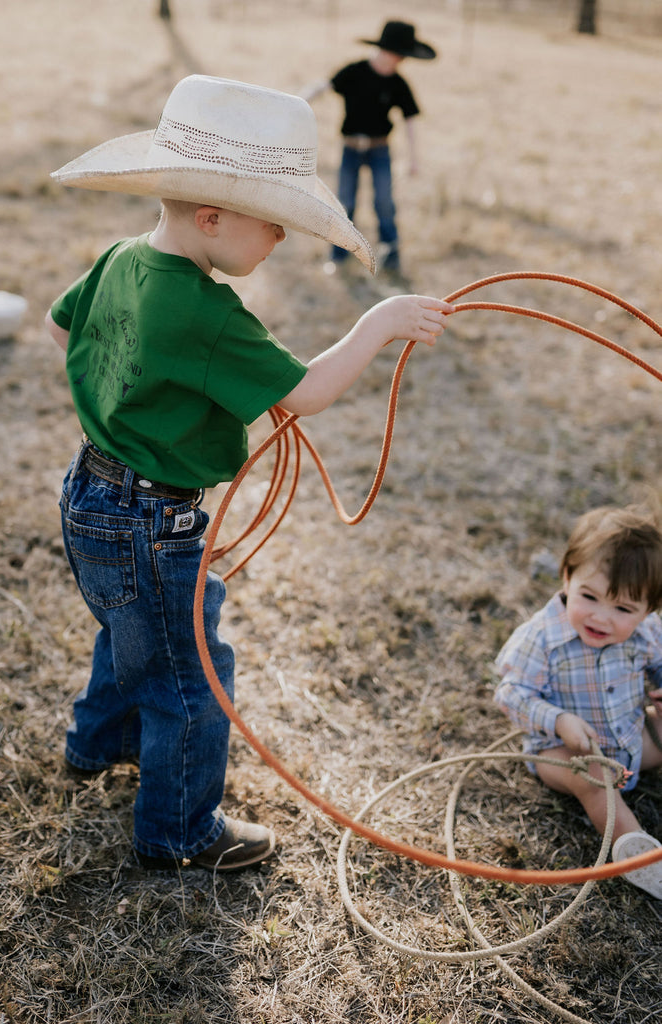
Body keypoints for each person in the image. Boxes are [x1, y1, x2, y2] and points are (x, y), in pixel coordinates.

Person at [44, 74, 453, 873]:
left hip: (90, 491)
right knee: (191, 676)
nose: (282, 242)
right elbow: (309, 393)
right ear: (212, 217)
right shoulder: (204, 310)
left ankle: (97, 745)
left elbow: (68, 333)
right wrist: (379, 322)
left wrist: (132, 409)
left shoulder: (123, 257)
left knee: (131, 633)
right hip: (150, 518)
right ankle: (179, 831)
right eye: (275, 226)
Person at [494, 504, 662, 899]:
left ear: (649, 610)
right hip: (564, 753)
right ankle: (638, 857)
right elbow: (511, 693)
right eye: (589, 596)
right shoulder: (542, 637)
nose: (602, 617)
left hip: (631, 741)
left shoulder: (648, 632)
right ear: (567, 578)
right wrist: (558, 720)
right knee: (593, 777)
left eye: (623, 608)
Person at [304, 20, 436, 275]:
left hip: (379, 150)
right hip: (351, 149)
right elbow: (327, 85)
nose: (398, 61)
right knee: (344, 202)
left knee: (384, 202)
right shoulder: (355, 71)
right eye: (396, 55)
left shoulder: (398, 83)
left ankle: (391, 254)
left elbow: (410, 119)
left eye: (402, 58)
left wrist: (414, 158)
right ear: (383, 50)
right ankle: (338, 254)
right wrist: (300, 100)